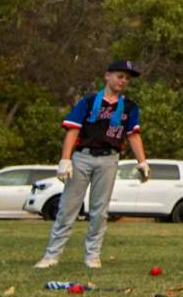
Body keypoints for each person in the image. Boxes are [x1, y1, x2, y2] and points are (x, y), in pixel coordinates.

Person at [37, 59, 150, 270]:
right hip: (83, 157)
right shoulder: (89, 102)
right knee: (68, 208)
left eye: (126, 78)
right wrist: (65, 159)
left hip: (109, 159)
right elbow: (73, 129)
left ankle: (92, 256)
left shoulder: (130, 107)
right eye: (119, 76)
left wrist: (142, 161)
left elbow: (133, 135)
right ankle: (51, 255)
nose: (123, 81)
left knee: (100, 211)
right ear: (107, 76)